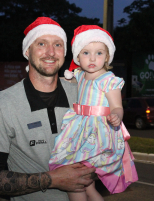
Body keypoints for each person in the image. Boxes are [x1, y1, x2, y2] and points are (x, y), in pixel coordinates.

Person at [0, 17, 96, 201]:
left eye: (58, 45)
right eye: (41, 43)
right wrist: (52, 179)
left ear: (65, 52)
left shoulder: (83, 94)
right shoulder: (3, 104)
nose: (51, 52)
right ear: (27, 51)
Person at [49, 25, 138, 201]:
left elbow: (117, 106)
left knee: (75, 183)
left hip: (96, 132)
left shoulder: (108, 80)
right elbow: (63, 80)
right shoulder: (80, 75)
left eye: (99, 53)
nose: (92, 58)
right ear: (77, 57)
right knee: (85, 186)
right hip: (78, 129)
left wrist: (117, 117)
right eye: (86, 53)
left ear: (107, 57)